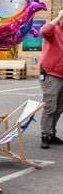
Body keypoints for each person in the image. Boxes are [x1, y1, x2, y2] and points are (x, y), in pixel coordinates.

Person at [39, 9, 63, 149]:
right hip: (51, 75)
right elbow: (43, 31)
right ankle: (45, 135)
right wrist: (59, 15)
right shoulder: (53, 31)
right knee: (50, 106)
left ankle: (52, 134)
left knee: (59, 108)